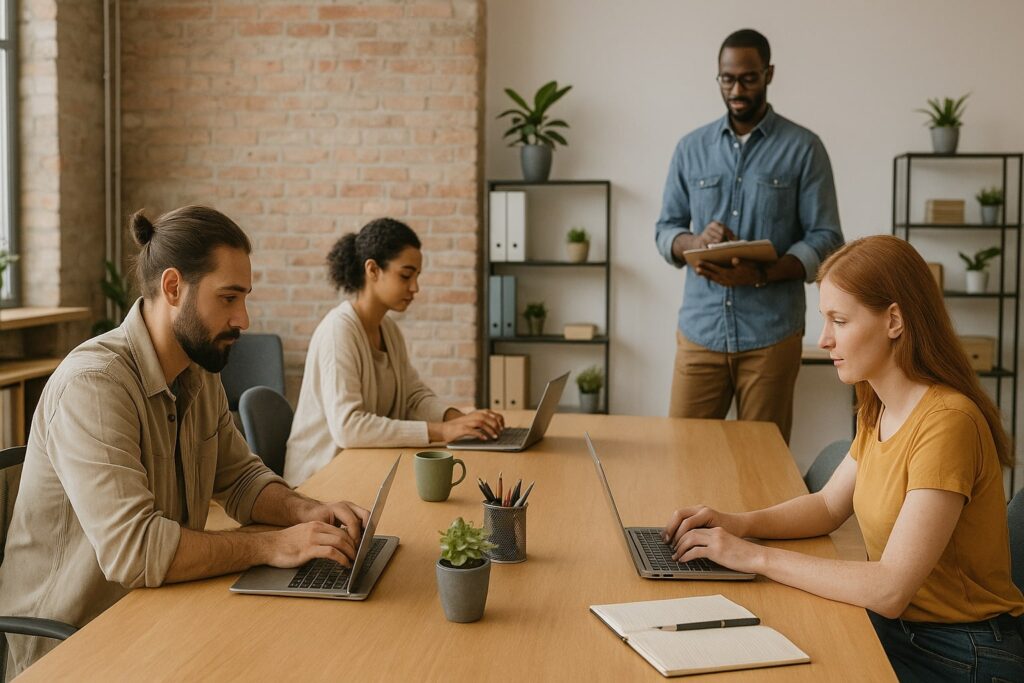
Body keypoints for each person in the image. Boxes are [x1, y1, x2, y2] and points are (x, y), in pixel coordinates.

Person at [0, 206, 372, 678]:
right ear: (174, 288)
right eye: (229, 298)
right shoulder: (93, 386)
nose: (244, 318)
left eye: (245, 298)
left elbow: (240, 480)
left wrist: (306, 511)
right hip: (71, 645)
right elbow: (135, 550)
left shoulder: (196, 372)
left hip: (155, 612)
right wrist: (271, 547)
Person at [663, 235, 1024, 682]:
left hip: (961, 653)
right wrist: (738, 523)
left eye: (840, 320)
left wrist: (754, 558)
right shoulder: (882, 405)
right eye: (824, 319)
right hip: (902, 631)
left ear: (894, 320)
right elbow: (828, 506)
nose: (824, 338)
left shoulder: (948, 423)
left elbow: (890, 588)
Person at [654, 28, 844, 443]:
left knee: (762, 466)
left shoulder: (805, 148)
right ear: (718, 77)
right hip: (700, 333)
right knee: (681, 453)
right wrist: (694, 243)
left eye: (748, 78)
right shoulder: (690, 148)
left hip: (770, 337)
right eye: (727, 79)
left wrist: (763, 272)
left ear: (768, 73)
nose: (737, 89)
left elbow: (828, 238)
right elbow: (665, 230)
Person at [284, 217, 504, 486]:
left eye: (416, 277)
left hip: (363, 468)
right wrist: (441, 431)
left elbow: (413, 396)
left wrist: (460, 420)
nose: (415, 288)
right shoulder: (338, 331)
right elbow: (348, 427)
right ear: (373, 270)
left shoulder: (387, 329)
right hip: (320, 480)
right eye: (405, 275)